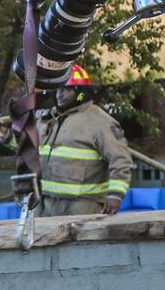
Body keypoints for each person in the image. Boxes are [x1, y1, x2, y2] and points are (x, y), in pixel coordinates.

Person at [38, 63, 133, 216]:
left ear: (81, 92)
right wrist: (5, 136)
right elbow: (28, 149)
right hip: (48, 204)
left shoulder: (100, 121)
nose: (59, 95)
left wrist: (115, 195)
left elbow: (121, 161)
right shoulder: (50, 119)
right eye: (58, 89)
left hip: (83, 205)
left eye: (66, 89)